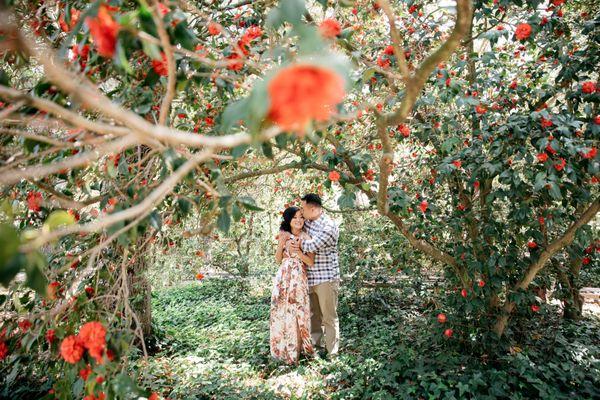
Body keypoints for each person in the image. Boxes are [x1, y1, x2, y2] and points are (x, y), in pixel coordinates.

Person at [287, 193, 340, 357]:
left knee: (329, 317)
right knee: (313, 316)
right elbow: (293, 228)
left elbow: (312, 245)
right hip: (309, 278)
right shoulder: (308, 223)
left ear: (313, 208)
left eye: (303, 208)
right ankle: (317, 347)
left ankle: (333, 353)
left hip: (326, 278)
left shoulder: (329, 226)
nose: (301, 212)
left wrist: (296, 241)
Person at [269, 206, 315, 364]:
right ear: (289, 220)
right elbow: (277, 259)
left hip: (298, 278)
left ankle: (296, 352)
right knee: (281, 311)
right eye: (295, 217)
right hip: (283, 277)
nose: (299, 220)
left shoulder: (307, 238)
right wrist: (281, 244)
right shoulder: (283, 235)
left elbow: (311, 262)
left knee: (297, 312)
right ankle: (281, 351)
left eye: (301, 217)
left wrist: (299, 253)